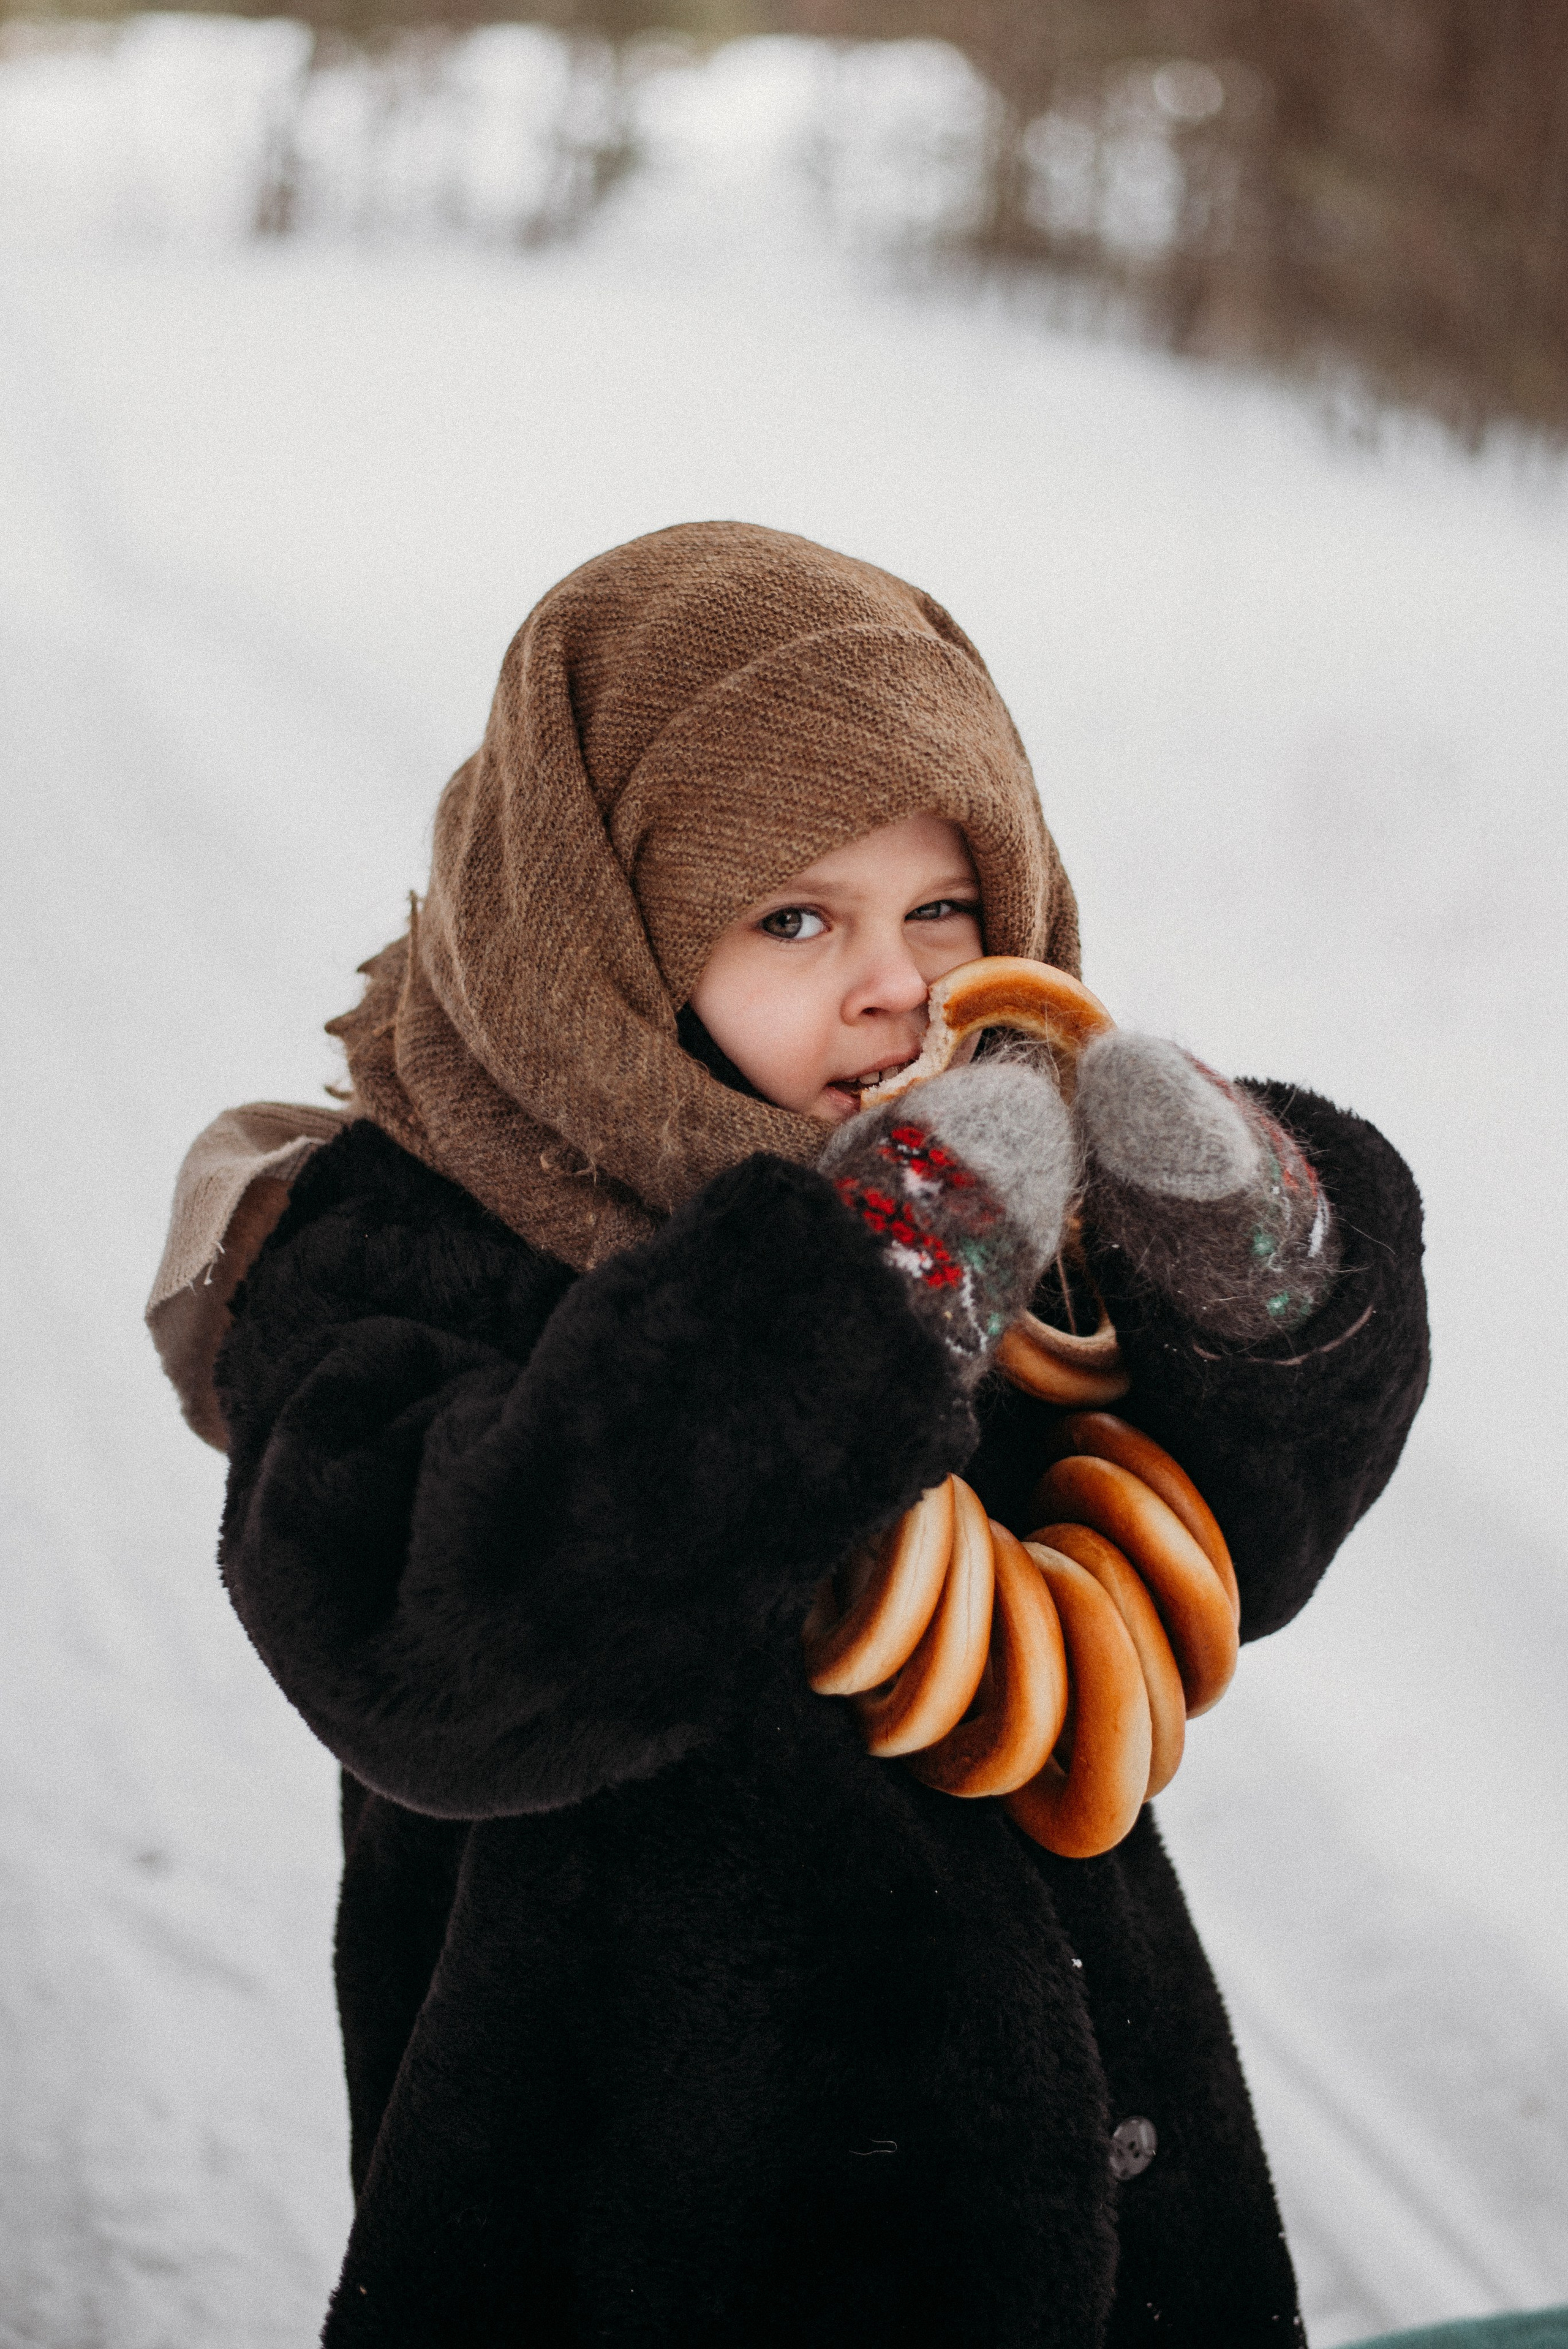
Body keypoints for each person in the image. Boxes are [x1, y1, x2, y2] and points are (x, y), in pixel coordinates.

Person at [151, 521, 1428, 2347]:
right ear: (611, 930)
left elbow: (1217, 1539)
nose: (896, 985)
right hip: (630, 2235)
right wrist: (843, 1300)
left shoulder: (1000, 1191)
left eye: (944, 911)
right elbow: (443, 1646)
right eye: (795, 916)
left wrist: (1267, 1278)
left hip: (1090, 2200)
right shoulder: (402, 1248)